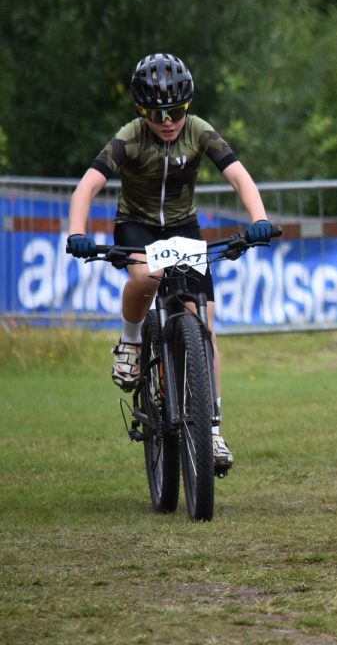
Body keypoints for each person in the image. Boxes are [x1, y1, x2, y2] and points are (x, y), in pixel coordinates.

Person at [65, 53, 274, 473]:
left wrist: (260, 220)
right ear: (141, 110)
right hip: (137, 226)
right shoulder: (130, 137)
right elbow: (86, 187)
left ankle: (212, 429)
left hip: (183, 229)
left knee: (205, 326)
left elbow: (238, 175)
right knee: (148, 276)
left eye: (176, 111)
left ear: (187, 107)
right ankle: (130, 341)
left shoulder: (198, 131)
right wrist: (77, 232)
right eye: (158, 113)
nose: (168, 121)